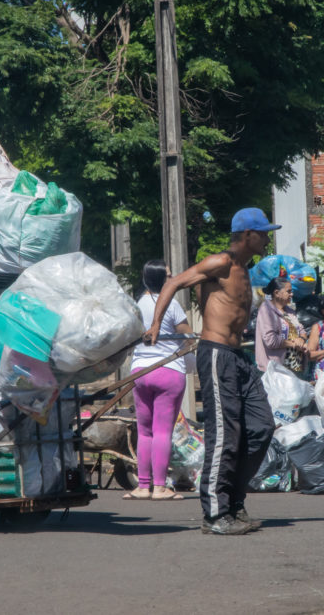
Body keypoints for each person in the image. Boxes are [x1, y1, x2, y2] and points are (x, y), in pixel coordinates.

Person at [145, 207, 278, 536]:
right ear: (247, 235)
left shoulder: (247, 270)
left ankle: (234, 500)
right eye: (263, 233)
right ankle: (216, 514)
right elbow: (174, 282)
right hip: (216, 354)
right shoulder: (220, 262)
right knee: (225, 435)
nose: (267, 238)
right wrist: (156, 324)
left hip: (237, 358)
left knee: (262, 427)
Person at [125, 259, 194, 501]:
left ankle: (143, 486)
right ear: (161, 280)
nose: (173, 276)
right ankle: (160, 487)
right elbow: (188, 336)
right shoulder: (172, 305)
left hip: (140, 372)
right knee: (162, 431)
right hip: (168, 371)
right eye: (168, 275)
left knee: (144, 432)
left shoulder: (135, 305)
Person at [254, 277, 307, 373]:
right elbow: (271, 341)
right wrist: (294, 344)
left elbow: (302, 331)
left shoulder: (290, 311)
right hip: (276, 371)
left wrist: (301, 339)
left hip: (294, 368)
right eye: (289, 291)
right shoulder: (266, 310)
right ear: (277, 293)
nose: (292, 294)